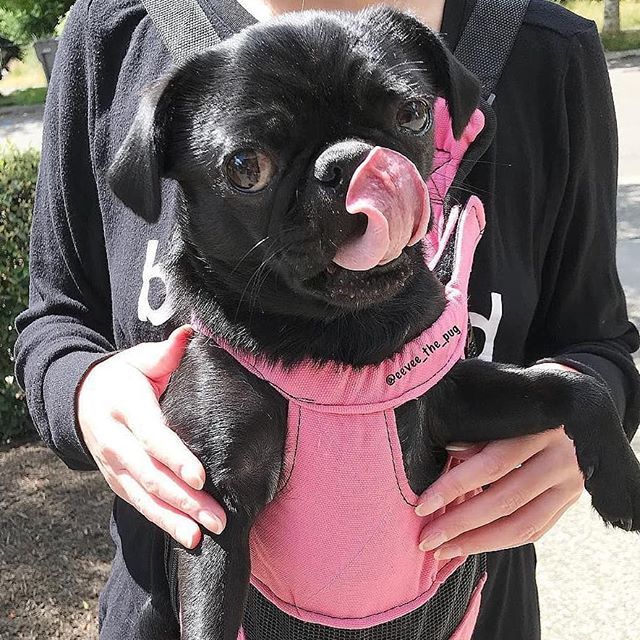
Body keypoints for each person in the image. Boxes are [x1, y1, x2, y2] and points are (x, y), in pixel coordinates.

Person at [14, 0, 640, 638]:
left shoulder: (548, 52)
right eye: (250, 166)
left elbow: (600, 342)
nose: (353, 182)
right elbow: (55, 323)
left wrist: (582, 412)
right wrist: (86, 394)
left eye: (406, 115)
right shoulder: (114, 32)